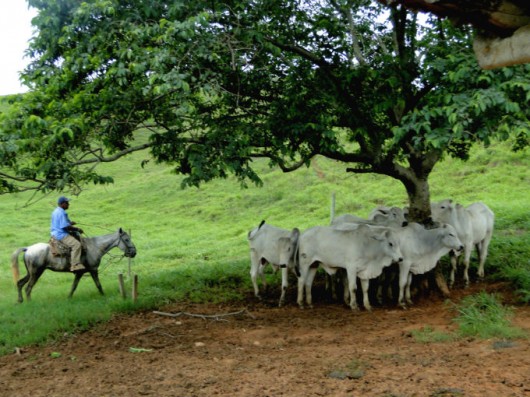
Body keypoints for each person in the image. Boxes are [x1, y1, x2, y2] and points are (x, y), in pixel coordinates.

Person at [50, 196, 85, 272]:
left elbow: (61, 222)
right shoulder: (62, 212)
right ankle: (74, 265)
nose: (68, 204)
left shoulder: (55, 211)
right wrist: (77, 229)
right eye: (67, 203)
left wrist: (70, 223)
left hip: (54, 233)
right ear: (62, 204)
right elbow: (65, 227)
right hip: (61, 234)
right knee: (76, 245)